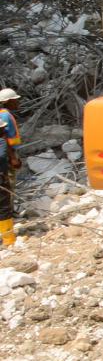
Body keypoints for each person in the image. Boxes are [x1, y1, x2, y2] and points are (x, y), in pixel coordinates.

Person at [0, 88, 21, 247]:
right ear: (8, 101)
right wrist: (14, 158)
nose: (18, 102)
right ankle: (8, 235)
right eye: (15, 100)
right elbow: (10, 141)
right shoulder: (6, 116)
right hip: (5, 159)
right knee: (6, 192)